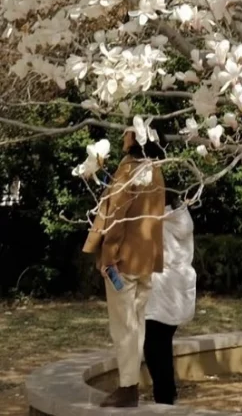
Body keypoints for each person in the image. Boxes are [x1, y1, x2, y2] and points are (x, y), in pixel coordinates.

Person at [82, 127, 166, 408]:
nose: (122, 139)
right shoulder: (156, 169)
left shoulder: (129, 168)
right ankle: (130, 383)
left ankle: (128, 387)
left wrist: (108, 256)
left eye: (126, 134)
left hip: (123, 260)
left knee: (124, 327)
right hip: (146, 260)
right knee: (137, 325)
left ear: (135, 139)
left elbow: (116, 215)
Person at [143, 200, 196, 405]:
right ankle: (167, 392)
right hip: (179, 286)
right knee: (162, 342)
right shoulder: (183, 217)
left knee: (154, 346)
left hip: (162, 286)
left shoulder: (157, 219)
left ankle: (164, 396)